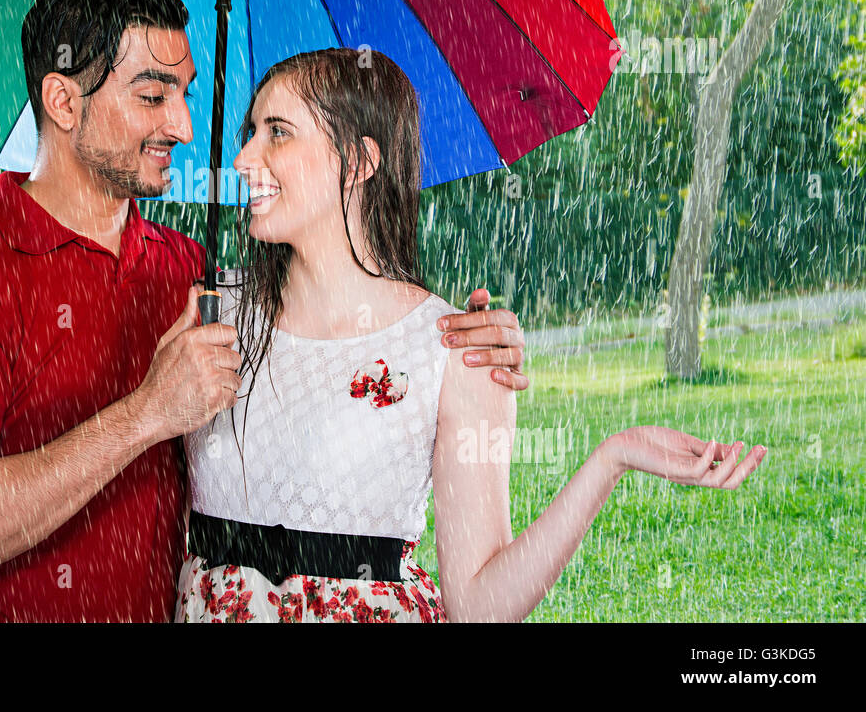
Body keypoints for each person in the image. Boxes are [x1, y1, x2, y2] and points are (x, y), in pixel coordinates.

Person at [0, 0, 529, 622]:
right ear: (64, 100)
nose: (185, 127)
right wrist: (148, 412)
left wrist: (464, 342)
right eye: (153, 95)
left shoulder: (189, 274)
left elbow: (330, 361)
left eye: (186, 93)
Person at [175, 47, 768, 623]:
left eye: (278, 132)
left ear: (358, 163)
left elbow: (480, 607)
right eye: (249, 132)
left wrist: (614, 456)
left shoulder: (455, 351)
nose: (246, 159)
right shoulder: (209, 315)